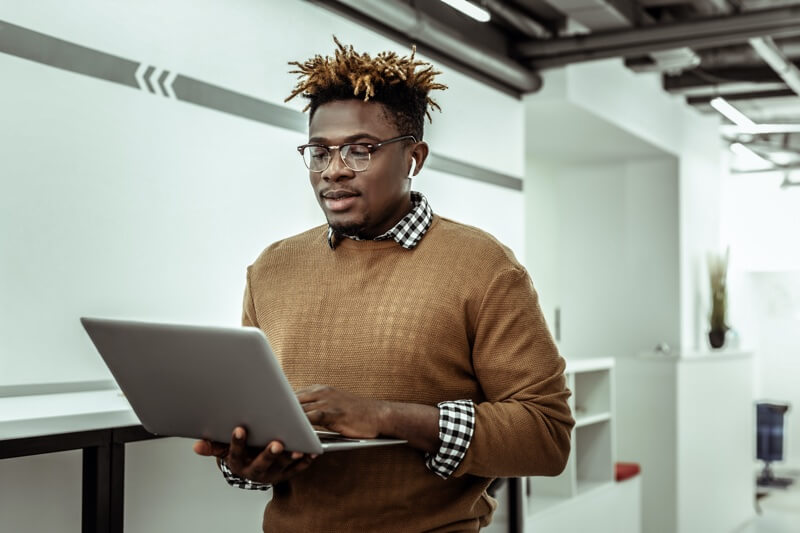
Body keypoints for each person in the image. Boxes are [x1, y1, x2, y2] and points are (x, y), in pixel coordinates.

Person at [193, 38, 574, 532]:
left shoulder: (484, 267)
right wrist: (246, 464)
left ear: (414, 158)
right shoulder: (271, 268)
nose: (333, 170)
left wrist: (388, 417)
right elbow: (255, 421)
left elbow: (546, 436)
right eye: (320, 152)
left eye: (360, 150)